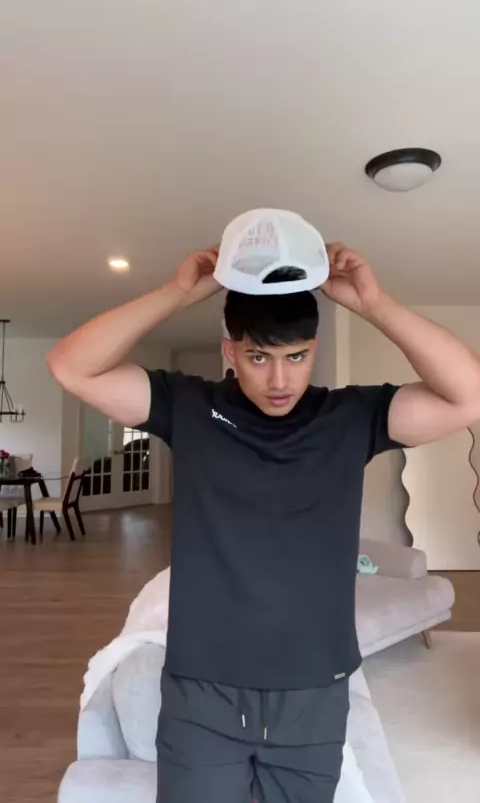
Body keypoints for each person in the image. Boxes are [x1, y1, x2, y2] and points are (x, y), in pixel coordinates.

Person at [48, 242, 480, 803]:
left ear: (314, 349)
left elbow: (468, 396)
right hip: (203, 691)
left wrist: (374, 305)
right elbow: (71, 366)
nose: (280, 379)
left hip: (314, 693)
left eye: (296, 357)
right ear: (230, 350)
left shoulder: (350, 416)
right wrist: (178, 293)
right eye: (258, 358)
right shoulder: (191, 407)